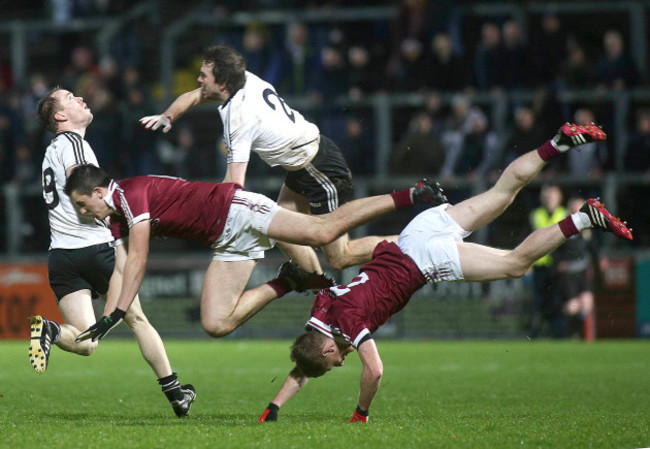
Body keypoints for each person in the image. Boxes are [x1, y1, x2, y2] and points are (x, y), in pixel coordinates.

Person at [257, 123, 633, 423]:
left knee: (515, 264)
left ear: (327, 347)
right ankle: (557, 143)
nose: (341, 362)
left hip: (424, 258)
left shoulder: (347, 324)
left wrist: (361, 414)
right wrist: (273, 408)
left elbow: (375, 372)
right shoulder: (320, 311)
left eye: (334, 361)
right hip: (415, 232)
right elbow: (304, 364)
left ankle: (585, 216)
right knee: (503, 193)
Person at [64, 165, 444, 343]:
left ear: (98, 192)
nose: (84, 213)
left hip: (238, 210)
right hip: (226, 240)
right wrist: (108, 316)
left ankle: (409, 196)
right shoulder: (116, 217)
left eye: (83, 204)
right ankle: (285, 281)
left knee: (323, 231)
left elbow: (141, 259)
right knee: (216, 324)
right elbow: (123, 267)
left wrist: (116, 312)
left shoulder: (130, 196)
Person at [138, 43, 391, 274]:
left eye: (204, 76)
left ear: (223, 83)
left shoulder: (238, 117)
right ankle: (321, 287)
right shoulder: (243, 79)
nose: (199, 79)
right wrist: (167, 116)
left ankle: (406, 242)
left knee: (340, 256)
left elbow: (234, 186)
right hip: (304, 165)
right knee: (280, 230)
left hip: (319, 169)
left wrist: (201, 216)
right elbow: (194, 96)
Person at [32, 87, 196, 417]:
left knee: (86, 342)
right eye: (70, 98)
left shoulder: (52, 150)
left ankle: (49, 330)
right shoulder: (75, 145)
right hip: (93, 247)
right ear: (61, 116)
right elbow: (83, 193)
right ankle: (176, 393)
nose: (79, 98)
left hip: (61, 256)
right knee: (136, 318)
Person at [527, 184, 567, 338]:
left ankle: (557, 333)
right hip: (540, 265)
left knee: (556, 301)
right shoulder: (536, 215)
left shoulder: (564, 213)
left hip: (557, 267)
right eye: (548, 197)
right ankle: (535, 333)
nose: (550, 200)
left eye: (553, 197)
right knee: (538, 301)